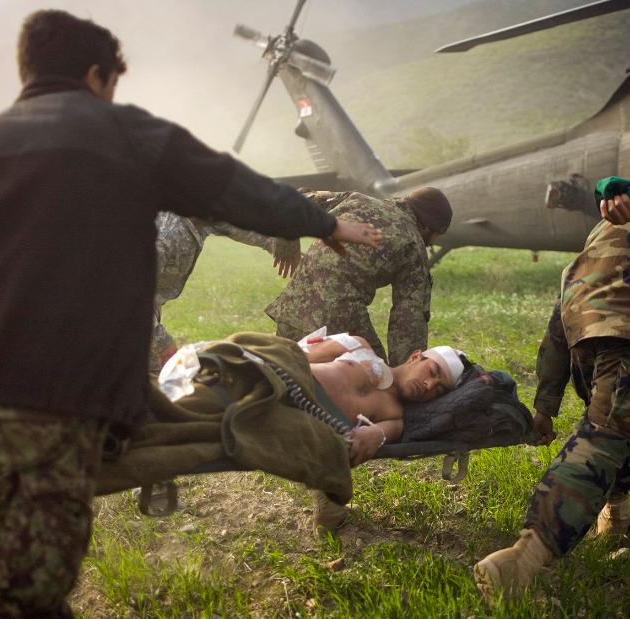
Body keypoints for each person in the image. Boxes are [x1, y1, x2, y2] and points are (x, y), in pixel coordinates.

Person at [0, 9, 381, 617]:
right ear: (96, 75)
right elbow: (232, 186)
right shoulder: (119, 131)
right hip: (38, 403)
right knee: (17, 593)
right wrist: (324, 222)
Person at [473, 176, 630, 601]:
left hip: (581, 328)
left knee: (609, 419)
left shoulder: (602, 230)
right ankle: (525, 556)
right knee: (605, 436)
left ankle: (617, 513)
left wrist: (545, 405)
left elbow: (557, 319)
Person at [294, 332, 465, 533]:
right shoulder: (358, 346)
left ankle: (331, 509)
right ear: (415, 356)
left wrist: (369, 436)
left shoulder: (396, 417)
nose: (429, 385)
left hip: (304, 427)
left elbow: (374, 437)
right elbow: (294, 355)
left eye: (439, 390)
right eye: (432, 371)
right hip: (284, 383)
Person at [266, 187, 451, 366]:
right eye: (438, 234)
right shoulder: (413, 245)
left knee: (285, 374)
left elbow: (296, 202)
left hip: (292, 309)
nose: (435, 241)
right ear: (426, 226)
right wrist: (407, 371)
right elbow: (409, 321)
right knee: (378, 380)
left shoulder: (356, 200)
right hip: (338, 323)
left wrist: (286, 247)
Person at [150, 212, 301, 372]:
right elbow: (127, 298)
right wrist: (162, 343)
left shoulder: (199, 212)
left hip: (142, 311)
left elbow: (235, 224)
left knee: (156, 375)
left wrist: (279, 246)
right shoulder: (164, 236)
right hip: (130, 313)